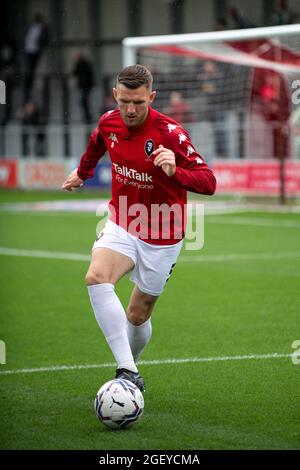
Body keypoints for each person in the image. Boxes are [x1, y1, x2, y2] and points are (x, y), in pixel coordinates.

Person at [62, 65, 216, 392]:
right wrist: (83, 172)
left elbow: (209, 182)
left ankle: (128, 371)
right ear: (116, 95)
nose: (131, 110)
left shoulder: (171, 134)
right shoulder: (109, 121)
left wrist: (176, 172)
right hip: (122, 220)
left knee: (138, 313)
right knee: (96, 277)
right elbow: (96, 143)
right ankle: (128, 372)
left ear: (152, 97)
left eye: (139, 103)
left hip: (163, 234)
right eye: (125, 102)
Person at [23, 13, 48, 103]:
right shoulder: (31, 26)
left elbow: (44, 38)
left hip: (35, 50)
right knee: (29, 68)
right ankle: (28, 83)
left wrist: (41, 44)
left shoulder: (42, 27)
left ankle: (29, 82)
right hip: (29, 50)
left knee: (32, 68)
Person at [71, 52, 94, 123]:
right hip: (85, 85)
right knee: (84, 101)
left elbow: (75, 72)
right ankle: (87, 116)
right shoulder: (84, 64)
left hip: (85, 85)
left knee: (84, 100)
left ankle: (88, 116)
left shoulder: (83, 64)